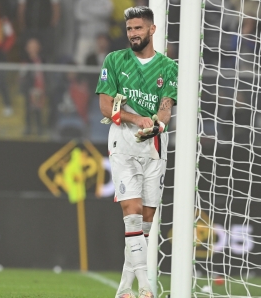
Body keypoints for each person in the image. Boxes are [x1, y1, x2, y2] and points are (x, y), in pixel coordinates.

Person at [96, 6, 177, 298]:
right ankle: (145, 288)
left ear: (151, 30)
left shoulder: (168, 67)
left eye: (138, 28)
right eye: (130, 29)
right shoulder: (115, 60)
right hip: (122, 145)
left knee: (145, 221)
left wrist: (156, 125)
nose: (133, 34)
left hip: (153, 146)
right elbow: (106, 106)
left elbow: (165, 109)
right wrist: (134, 119)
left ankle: (122, 289)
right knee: (130, 213)